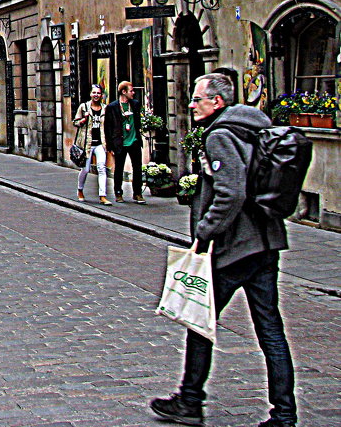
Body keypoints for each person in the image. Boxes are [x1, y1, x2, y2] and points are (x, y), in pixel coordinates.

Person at [150, 73, 296, 427]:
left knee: (198, 319)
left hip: (235, 248)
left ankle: (189, 400)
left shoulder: (220, 135)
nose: (191, 104)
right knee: (271, 330)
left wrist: (204, 231)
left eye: (197, 99)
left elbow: (231, 193)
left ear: (217, 102)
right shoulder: (254, 127)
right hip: (266, 242)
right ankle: (285, 414)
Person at [105, 80, 145, 204]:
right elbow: (108, 127)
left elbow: (139, 120)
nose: (133, 93)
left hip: (134, 141)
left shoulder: (136, 104)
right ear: (124, 92)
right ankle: (118, 192)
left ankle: (137, 193)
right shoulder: (112, 107)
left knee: (137, 168)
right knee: (119, 169)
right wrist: (110, 145)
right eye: (131, 90)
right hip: (120, 142)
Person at [73, 84, 111, 205]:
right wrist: (83, 119)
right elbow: (75, 122)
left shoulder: (105, 108)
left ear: (101, 95)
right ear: (90, 94)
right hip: (86, 143)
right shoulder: (84, 107)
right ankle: (80, 190)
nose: (96, 95)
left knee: (101, 168)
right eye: (94, 93)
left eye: (98, 93)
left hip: (100, 143)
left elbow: (108, 127)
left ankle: (102, 196)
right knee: (85, 169)